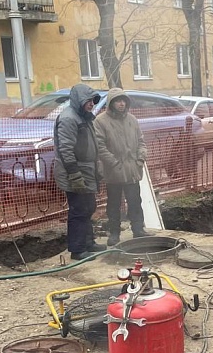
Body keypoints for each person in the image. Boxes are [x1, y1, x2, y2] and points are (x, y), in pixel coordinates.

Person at [53, 83, 104, 261]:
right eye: (88, 100)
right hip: (75, 171)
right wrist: (74, 175)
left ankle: (88, 243)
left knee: (89, 207)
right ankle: (77, 250)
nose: (92, 104)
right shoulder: (69, 118)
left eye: (93, 101)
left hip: (86, 169)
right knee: (79, 209)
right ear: (79, 100)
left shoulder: (84, 117)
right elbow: (65, 149)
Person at [94, 88, 149, 246]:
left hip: (132, 169)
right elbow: (100, 146)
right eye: (118, 101)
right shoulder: (100, 121)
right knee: (113, 204)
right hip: (114, 171)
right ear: (111, 103)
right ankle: (114, 233)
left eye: (124, 100)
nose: (121, 103)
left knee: (135, 201)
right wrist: (113, 162)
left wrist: (140, 158)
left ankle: (138, 230)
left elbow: (141, 141)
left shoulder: (132, 119)